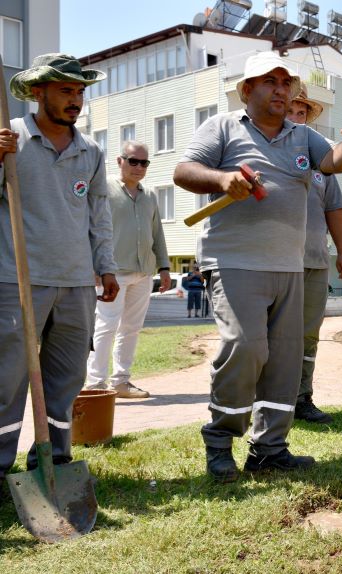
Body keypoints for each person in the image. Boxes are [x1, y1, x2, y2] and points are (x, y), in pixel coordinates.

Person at [173, 51, 342, 482]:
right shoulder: (222, 127)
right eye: (269, 81)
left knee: (283, 358)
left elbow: (331, 161)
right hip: (235, 262)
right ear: (247, 90)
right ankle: (221, 440)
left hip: (290, 266)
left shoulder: (302, 136)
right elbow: (183, 172)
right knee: (245, 347)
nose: (281, 89)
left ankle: (270, 449)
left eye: (286, 82)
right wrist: (223, 180)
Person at [0, 54, 118, 482]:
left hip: (76, 283)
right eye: (66, 90)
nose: (76, 100)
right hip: (17, 280)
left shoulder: (91, 151)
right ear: (38, 92)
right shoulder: (9, 139)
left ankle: (54, 463)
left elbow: (98, 214)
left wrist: (105, 266)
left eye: (80, 92)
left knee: (66, 380)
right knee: (6, 382)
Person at [286, 82, 342, 424]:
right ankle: (268, 400)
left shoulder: (323, 161)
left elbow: (334, 209)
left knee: (309, 333)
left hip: (313, 259)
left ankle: (302, 397)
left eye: (302, 112)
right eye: (291, 111)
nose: (297, 117)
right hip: (277, 260)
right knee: (273, 334)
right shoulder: (274, 152)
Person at [85, 141, 169, 399]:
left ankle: (121, 382)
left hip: (143, 272)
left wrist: (164, 267)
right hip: (111, 271)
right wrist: (94, 265)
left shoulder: (150, 196)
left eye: (144, 162)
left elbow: (158, 233)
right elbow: (90, 228)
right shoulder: (103, 191)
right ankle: (95, 384)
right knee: (106, 326)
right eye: (133, 161)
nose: (139, 167)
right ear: (119, 161)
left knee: (131, 328)